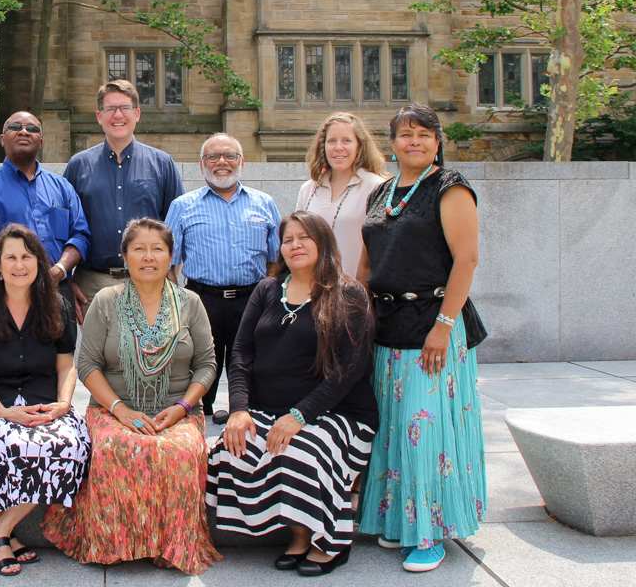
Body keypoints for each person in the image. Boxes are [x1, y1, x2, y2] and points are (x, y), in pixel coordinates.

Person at [43, 218, 220, 576]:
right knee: (117, 447)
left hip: (179, 411)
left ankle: (169, 546)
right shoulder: (106, 301)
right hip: (112, 410)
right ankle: (114, 543)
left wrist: (183, 407)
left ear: (172, 257)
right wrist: (120, 410)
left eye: (158, 249)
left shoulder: (191, 303)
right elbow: (88, 363)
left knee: (178, 451)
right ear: (125, 257)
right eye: (139, 248)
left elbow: (207, 364)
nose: (149, 256)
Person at [207, 211, 378, 577]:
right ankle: (297, 532)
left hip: (338, 413)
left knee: (297, 451)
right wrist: (239, 409)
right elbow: (240, 354)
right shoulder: (267, 290)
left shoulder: (348, 294)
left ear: (323, 243)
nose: (295, 245)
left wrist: (300, 415)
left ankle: (326, 539)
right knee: (232, 447)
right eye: (288, 239)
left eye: (304, 237)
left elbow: (349, 369)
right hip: (269, 409)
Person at [356, 102, 487, 573]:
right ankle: (401, 523)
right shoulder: (385, 190)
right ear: (391, 142)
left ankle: (431, 531)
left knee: (422, 430)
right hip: (387, 325)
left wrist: (443, 327)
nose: (414, 141)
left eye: (424, 134)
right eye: (406, 134)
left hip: (434, 323)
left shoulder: (450, 188)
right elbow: (368, 260)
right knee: (393, 429)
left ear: (437, 141)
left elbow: (466, 260)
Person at [0, 224, 90, 576]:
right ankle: (2, 534)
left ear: (39, 262)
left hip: (44, 403)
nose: (19, 264)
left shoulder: (57, 304)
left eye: (26, 256)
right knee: (9, 442)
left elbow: (66, 365)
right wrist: (5, 413)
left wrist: (65, 405)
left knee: (71, 446)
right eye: (10, 257)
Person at [166, 133, 280, 425]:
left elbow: (276, 258)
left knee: (250, 366)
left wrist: (266, 295)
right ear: (201, 165)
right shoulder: (182, 206)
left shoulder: (264, 203)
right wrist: (178, 303)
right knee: (201, 367)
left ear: (242, 162)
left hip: (252, 301)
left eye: (229, 155)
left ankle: (245, 419)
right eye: (212, 157)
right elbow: (169, 262)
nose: (221, 163)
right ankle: (198, 420)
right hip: (203, 301)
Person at [64, 79, 183, 316]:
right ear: (99, 116)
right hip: (92, 285)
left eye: (125, 108)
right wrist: (66, 278)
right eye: (110, 109)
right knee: (97, 354)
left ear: (137, 113)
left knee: (148, 352)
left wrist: (169, 274)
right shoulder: (79, 165)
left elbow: (177, 225)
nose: (118, 115)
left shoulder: (162, 164)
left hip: (148, 282)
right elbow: (64, 225)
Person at [0, 111, 90, 318]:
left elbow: (80, 236)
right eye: (15, 127)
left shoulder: (62, 187)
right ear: (2, 139)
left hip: (57, 291)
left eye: (32, 129)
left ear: (40, 142)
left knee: (61, 351)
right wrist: (21, 273)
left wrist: (59, 270)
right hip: (5, 294)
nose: (24, 131)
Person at [296, 112, 387, 278]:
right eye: (332, 141)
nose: (339, 147)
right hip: (313, 290)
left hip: (355, 291)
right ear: (323, 146)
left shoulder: (375, 187)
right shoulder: (308, 189)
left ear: (359, 146)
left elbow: (381, 248)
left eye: (347, 140)